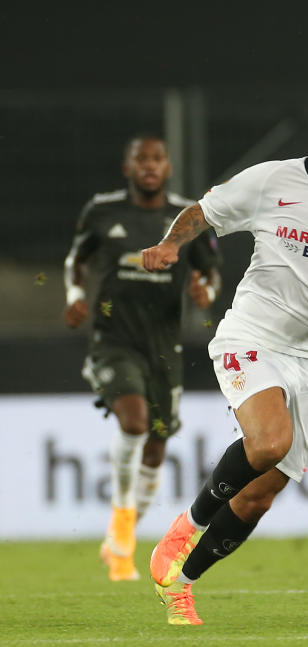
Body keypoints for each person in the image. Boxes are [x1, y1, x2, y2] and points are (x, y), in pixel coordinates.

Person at [140, 72, 308, 625]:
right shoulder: (270, 182)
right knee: (267, 442)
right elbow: (204, 212)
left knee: (259, 496)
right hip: (252, 335)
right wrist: (170, 245)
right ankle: (184, 528)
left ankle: (180, 584)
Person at [63, 134, 222, 582]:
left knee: (156, 446)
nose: (150, 165)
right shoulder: (102, 211)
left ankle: (119, 535)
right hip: (114, 340)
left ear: (168, 167)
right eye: (141, 159)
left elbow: (211, 274)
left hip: (163, 347)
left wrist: (204, 292)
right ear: (127, 168)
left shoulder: (187, 217)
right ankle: (123, 538)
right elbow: (76, 259)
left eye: (157, 159)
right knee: (133, 423)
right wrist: (76, 296)